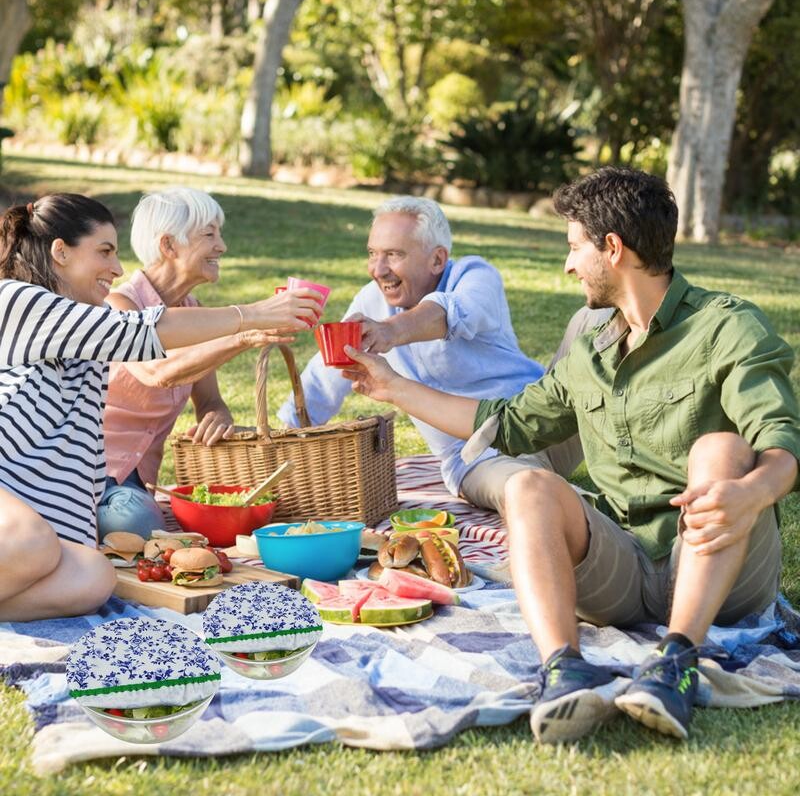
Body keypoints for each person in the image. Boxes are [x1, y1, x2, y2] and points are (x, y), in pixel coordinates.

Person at [339, 168, 800, 743]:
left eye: (574, 247)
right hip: (627, 567)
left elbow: (783, 441)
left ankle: (675, 664)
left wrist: (751, 492)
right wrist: (391, 386)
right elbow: (502, 424)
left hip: (721, 568)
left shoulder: (727, 327)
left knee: (722, 448)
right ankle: (564, 670)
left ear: (612, 248)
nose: (567, 264)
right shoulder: (592, 347)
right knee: (526, 487)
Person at [0, 194, 322, 621]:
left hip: (36, 529)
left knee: (95, 576)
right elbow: (139, 335)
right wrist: (254, 315)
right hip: (16, 519)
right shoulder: (18, 301)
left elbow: (84, 458)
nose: (116, 269)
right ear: (61, 252)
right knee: (33, 541)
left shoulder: (88, 345)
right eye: (105, 252)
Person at [277, 196, 610, 514]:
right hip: (478, 457)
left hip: (547, 420)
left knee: (598, 317)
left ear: (437, 259)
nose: (378, 269)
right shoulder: (370, 302)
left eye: (393, 255)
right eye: (372, 253)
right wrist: (280, 439)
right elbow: (323, 378)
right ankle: (602, 519)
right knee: (531, 492)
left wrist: (390, 330)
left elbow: (451, 313)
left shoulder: (475, 275)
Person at [98, 187, 289, 540]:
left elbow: (209, 400)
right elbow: (156, 371)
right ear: (169, 246)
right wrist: (243, 334)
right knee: (137, 527)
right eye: (209, 234)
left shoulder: (191, 309)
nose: (222, 246)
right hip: (94, 474)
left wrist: (218, 415)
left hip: (140, 481)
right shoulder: (119, 305)